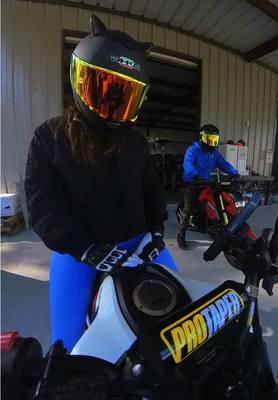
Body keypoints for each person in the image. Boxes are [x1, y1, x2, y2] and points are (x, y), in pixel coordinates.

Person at [25, 15, 178, 352]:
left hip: (139, 243)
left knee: (186, 307)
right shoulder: (50, 137)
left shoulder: (135, 142)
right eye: (103, 91)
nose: (111, 108)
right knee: (68, 348)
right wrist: (83, 247)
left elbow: (152, 191)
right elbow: (41, 202)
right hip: (79, 251)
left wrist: (156, 231)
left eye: (123, 98)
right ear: (79, 82)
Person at [177, 124, 239, 249]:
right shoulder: (192, 150)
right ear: (202, 138)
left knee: (219, 198)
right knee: (188, 209)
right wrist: (194, 175)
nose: (212, 143)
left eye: (214, 140)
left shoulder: (214, 152)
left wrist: (235, 173)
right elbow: (188, 164)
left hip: (206, 182)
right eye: (209, 139)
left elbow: (224, 164)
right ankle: (181, 234)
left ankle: (215, 223)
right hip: (192, 182)